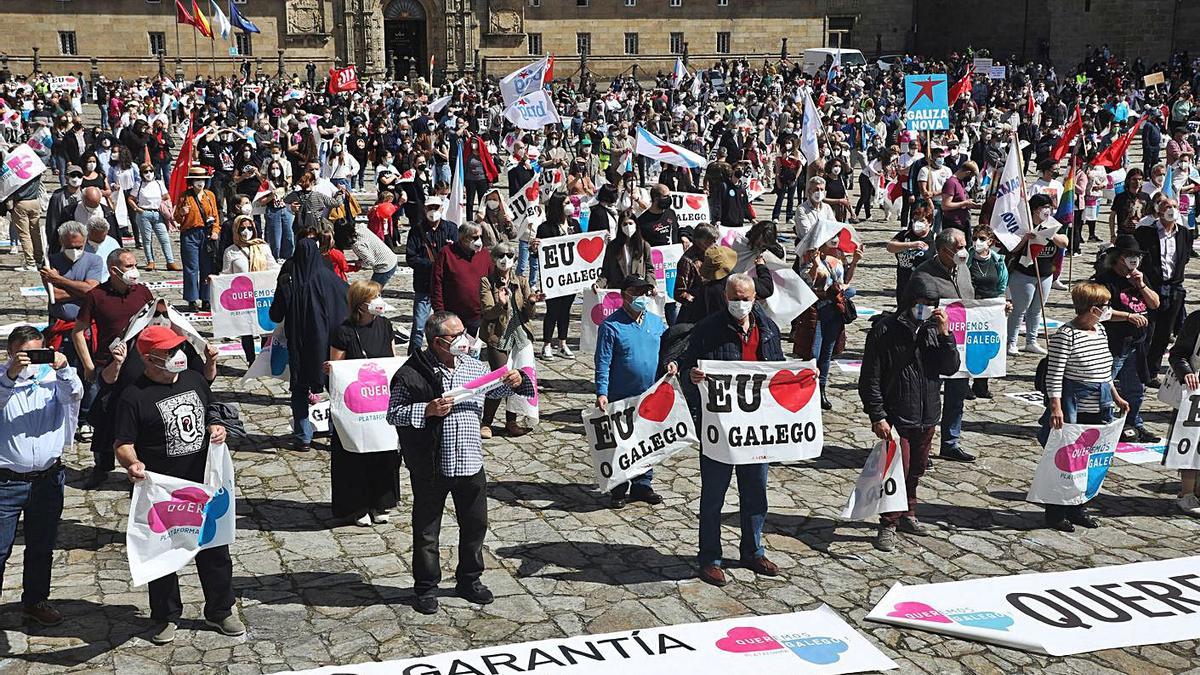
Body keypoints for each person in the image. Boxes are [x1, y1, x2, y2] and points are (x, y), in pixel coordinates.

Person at [385, 310, 532, 615]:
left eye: (464, 331)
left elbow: (498, 387)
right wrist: (426, 410)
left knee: (475, 525)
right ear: (439, 341)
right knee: (427, 531)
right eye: (457, 334)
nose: (465, 339)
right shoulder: (412, 373)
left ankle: (469, 579)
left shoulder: (474, 367)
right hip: (432, 465)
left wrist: (515, 381)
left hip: (469, 461)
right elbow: (393, 413)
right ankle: (426, 587)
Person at [113, 325, 244, 645]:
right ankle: (165, 616)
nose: (178, 356)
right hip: (162, 492)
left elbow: (211, 408)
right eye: (169, 352)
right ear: (149, 358)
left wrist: (216, 427)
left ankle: (221, 609)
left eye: (178, 350)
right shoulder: (133, 396)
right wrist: (133, 464)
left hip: (202, 485)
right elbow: (122, 443)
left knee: (214, 551)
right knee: (162, 554)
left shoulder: (194, 379)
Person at [680, 273, 783, 586]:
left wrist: (803, 376)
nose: (741, 303)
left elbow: (777, 372)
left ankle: (753, 551)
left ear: (755, 298)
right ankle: (709, 558)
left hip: (755, 431)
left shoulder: (768, 329)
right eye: (735, 297)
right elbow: (685, 366)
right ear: (726, 297)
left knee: (756, 494)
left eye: (746, 298)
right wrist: (692, 376)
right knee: (713, 498)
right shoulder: (708, 329)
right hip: (720, 429)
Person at [859, 288, 960, 551]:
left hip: (926, 414)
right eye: (920, 302)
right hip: (897, 414)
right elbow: (870, 376)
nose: (925, 307)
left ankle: (908, 513)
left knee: (916, 469)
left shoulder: (933, 331)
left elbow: (950, 367)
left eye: (930, 303)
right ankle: (888, 523)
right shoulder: (886, 329)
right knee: (896, 472)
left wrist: (945, 334)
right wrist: (877, 414)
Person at [0, 325, 82, 627]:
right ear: (12, 353)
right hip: (6, 482)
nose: (34, 360)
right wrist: (10, 376)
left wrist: (62, 368)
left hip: (47, 479)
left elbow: (74, 395)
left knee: (41, 545)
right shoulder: (1, 377)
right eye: (27, 354)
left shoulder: (51, 377)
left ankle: (36, 601)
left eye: (39, 352)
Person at [1037, 282, 1130, 532]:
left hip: (1098, 407)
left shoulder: (1100, 330)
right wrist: (1056, 407)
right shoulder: (1066, 335)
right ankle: (1056, 512)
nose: (1107, 310)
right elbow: (1054, 375)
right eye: (1104, 306)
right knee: (1066, 460)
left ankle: (1078, 507)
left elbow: (1104, 370)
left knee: (1088, 461)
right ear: (1091, 308)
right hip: (1073, 408)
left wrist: (1116, 395)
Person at [72, 248, 154, 487]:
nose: (133, 270)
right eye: (128, 266)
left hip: (139, 366)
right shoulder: (96, 296)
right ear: (114, 270)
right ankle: (101, 465)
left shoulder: (142, 292)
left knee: (138, 417)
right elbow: (78, 331)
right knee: (104, 417)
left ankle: (138, 466)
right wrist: (87, 364)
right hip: (108, 367)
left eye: (134, 264)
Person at [326, 281, 401, 526]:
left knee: (385, 453)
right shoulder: (343, 331)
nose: (379, 300)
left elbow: (391, 359)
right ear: (361, 304)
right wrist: (331, 370)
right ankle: (357, 507)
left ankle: (382, 502)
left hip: (381, 403)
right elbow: (336, 367)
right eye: (374, 296)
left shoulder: (386, 325)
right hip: (356, 405)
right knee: (355, 456)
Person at [595, 274, 670, 509]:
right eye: (635, 292)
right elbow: (603, 361)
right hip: (621, 396)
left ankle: (642, 484)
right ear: (623, 296)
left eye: (644, 293)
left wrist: (671, 363)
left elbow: (666, 351)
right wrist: (602, 391)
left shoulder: (657, 323)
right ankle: (619, 486)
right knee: (622, 442)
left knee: (647, 440)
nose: (641, 297)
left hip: (650, 393)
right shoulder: (611, 326)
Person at [903, 227, 977, 462]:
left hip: (959, 343)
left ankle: (950, 442)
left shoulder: (963, 269)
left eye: (965, 246)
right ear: (943, 250)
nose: (963, 252)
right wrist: (931, 317)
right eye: (958, 248)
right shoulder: (923, 276)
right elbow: (912, 310)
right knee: (930, 397)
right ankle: (923, 447)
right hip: (932, 344)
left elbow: (971, 299)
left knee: (957, 394)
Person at [269, 239, 349, 453]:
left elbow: (275, 314)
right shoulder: (331, 280)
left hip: (301, 346)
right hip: (329, 346)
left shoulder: (289, 282)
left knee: (299, 389)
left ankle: (303, 436)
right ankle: (337, 432)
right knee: (335, 389)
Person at [41, 220, 104, 437]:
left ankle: (86, 417)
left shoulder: (94, 260)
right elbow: (54, 296)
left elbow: (93, 291)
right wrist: (81, 289)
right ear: (61, 242)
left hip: (86, 327)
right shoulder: (51, 261)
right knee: (61, 373)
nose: (75, 251)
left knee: (89, 373)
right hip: (60, 327)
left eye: (79, 246)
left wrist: (59, 279)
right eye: (71, 246)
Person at [479, 241, 541, 438]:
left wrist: (531, 303)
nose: (505, 260)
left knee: (519, 379)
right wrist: (502, 304)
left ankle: (511, 421)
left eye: (509, 256)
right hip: (498, 336)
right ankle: (486, 421)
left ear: (515, 260)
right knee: (501, 379)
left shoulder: (521, 281)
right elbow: (487, 312)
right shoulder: (487, 282)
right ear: (494, 259)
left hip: (520, 335)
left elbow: (529, 314)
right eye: (500, 256)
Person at [1134, 196, 1193, 385]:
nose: (1171, 210)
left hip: (1174, 288)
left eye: (1175, 206)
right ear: (1159, 211)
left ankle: (1152, 371)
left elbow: (1184, 258)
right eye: (1168, 206)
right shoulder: (1146, 232)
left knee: (1164, 333)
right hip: (1152, 287)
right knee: (1147, 331)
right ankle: (1137, 370)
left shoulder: (1184, 233)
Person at [1006, 193, 1068, 357]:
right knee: (1019, 309)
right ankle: (1011, 342)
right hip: (1024, 273)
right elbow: (1013, 249)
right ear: (1034, 210)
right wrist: (1026, 238)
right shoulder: (1024, 225)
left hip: (1045, 274)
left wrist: (1051, 234)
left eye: (1049, 207)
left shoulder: (1052, 224)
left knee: (1036, 310)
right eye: (1043, 207)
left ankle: (1031, 341)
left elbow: (1064, 242)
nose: (1047, 210)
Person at [221, 216, 279, 362]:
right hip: (243, 297)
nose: (246, 232)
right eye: (242, 228)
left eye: (249, 228)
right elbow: (226, 274)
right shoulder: (230, 251)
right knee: (246, 331)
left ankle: (263, 360)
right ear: (235, 230)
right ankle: (251, 361)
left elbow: (273, 267)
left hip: (262, 294)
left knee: (265, 330)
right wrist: (214, 279)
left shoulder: (263, 247)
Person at [405, 196, 458, 354]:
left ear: (442, 209)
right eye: (430, 208)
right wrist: (433, 265)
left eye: (436, 207)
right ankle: (413, 357)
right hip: (424, 285)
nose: (433, 211)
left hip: (445, 287)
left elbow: (456, 254)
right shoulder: (416, 231)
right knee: (419, 326)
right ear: (425, 209)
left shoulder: (451, 229)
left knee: (446, 325)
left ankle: (445, 353)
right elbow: (411, 258)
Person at [966, 225, 1010, 399]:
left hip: (990, 309)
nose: (978, 242)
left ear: (991, 242)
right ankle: (963, 384)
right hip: (970, 306)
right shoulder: (966, 258)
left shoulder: (998, 260)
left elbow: (1002, 285)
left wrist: (1004, 303)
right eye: (975, 238)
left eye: (982, 239)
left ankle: (981, 384)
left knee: (984, 346)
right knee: (967, 345)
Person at [536, 197, 580, 359]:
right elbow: (539, 253)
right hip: (554, 278)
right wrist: (535, 247)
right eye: (565, 203)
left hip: (571, 276)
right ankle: (547, 344)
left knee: (565, 311)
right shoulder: (545, 228)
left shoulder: (574, 225)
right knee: (553, 310)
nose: (569, 206)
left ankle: (562, 343)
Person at [1166, 308, 1200, 516]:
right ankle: (1186, 493)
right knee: (1192, 441)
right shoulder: (1197, 320)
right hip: (1196, 391)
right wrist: (1186, 373)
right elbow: (1178, 354)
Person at [432, 222, 493, 336]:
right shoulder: (446, 253)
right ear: (464, 237)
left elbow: (492, 279)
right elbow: (437, 282)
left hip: (477, 315)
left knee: (473, 350)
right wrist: (439, 310)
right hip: (453, 315)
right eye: (475, 237)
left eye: (480, 237)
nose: (479, 240)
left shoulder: (484, 254)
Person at [174, 166, 222, 313]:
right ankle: (192, 299)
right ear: (191, 181)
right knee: (191, 268)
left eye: (202, 179)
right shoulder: (184, 196)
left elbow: (216, 216)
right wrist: (182, 212)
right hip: (189, 234)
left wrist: (215, 231)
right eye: (197, 180)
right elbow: (176, 217)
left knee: (207, 267)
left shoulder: (210, 195)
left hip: (206, 234)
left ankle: (206, 298)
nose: (200, 182)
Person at [886, 197, 937, 303]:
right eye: (915, 220)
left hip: (924, 283)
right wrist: (910, 245)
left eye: (922, 220)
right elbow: (890, 247)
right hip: (904, 282)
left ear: (929, 222)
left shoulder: (934, 239)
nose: (917, 223)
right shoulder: (905, 235)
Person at [129, 163, 177, 271]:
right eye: (146, 172)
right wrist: (137, 208)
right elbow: (131, 198)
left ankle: (170, 261)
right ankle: (150, 261)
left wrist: (162, 204)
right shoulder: (139, 184)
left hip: (157, 213)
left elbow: (166, 196)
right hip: (144, 214)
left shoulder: (159, 183)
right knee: (147, 239)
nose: (149, 174)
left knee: (164, 238)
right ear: (142, 173)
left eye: (150, 171)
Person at [793, 176, 834, 248]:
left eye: (822, 190)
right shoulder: (802, 209)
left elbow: (833, 227)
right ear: (809, 191)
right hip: (808, 249)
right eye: (816, 189)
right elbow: (806, 233)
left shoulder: (827, 208)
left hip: (825, 248)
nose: (819, 192)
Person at [83, 216, 120, 282]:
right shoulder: (79, 243)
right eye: (96, 238)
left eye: (102, 238)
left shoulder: (112, 242)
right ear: (88, 232)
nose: (99, 240)